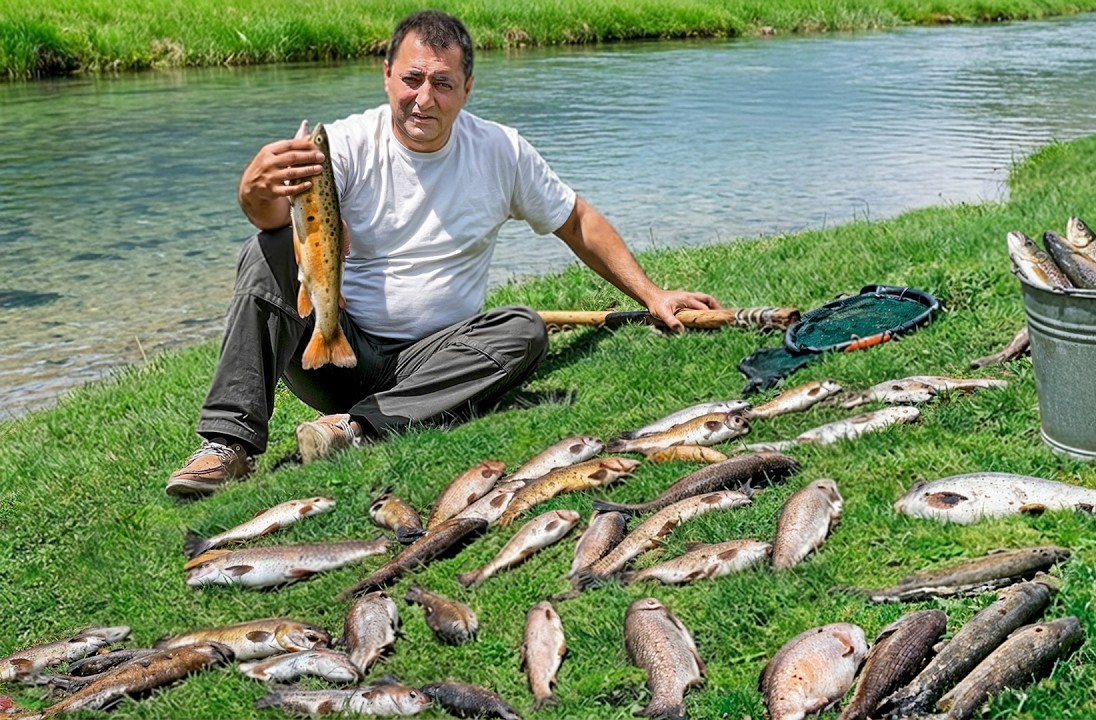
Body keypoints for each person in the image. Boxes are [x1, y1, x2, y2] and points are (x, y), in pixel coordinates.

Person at [166, 9, 720, 499]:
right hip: (331, 347)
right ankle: (226, 445)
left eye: (442, 83)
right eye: (411, 79)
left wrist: (652, 294)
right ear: (386, 77)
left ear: (467, 88)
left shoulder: (501, 150)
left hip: (436, 359)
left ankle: (355, 430)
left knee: (523, 330)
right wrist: (254, 192)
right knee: (264, 251)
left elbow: (577, 221)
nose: (423, 98)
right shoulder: (345, 143)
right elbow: (281, 226)